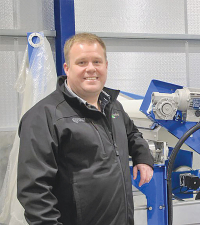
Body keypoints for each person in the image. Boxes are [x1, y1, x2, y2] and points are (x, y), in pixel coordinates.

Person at [17, 33, 154, 225]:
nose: (91, 68)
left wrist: (143, 157)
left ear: (106, 66)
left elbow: (132, 134)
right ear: (67, 68)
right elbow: (34, 191)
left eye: (97, 61)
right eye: (82, 62)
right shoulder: (44, 116)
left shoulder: (113, 106)